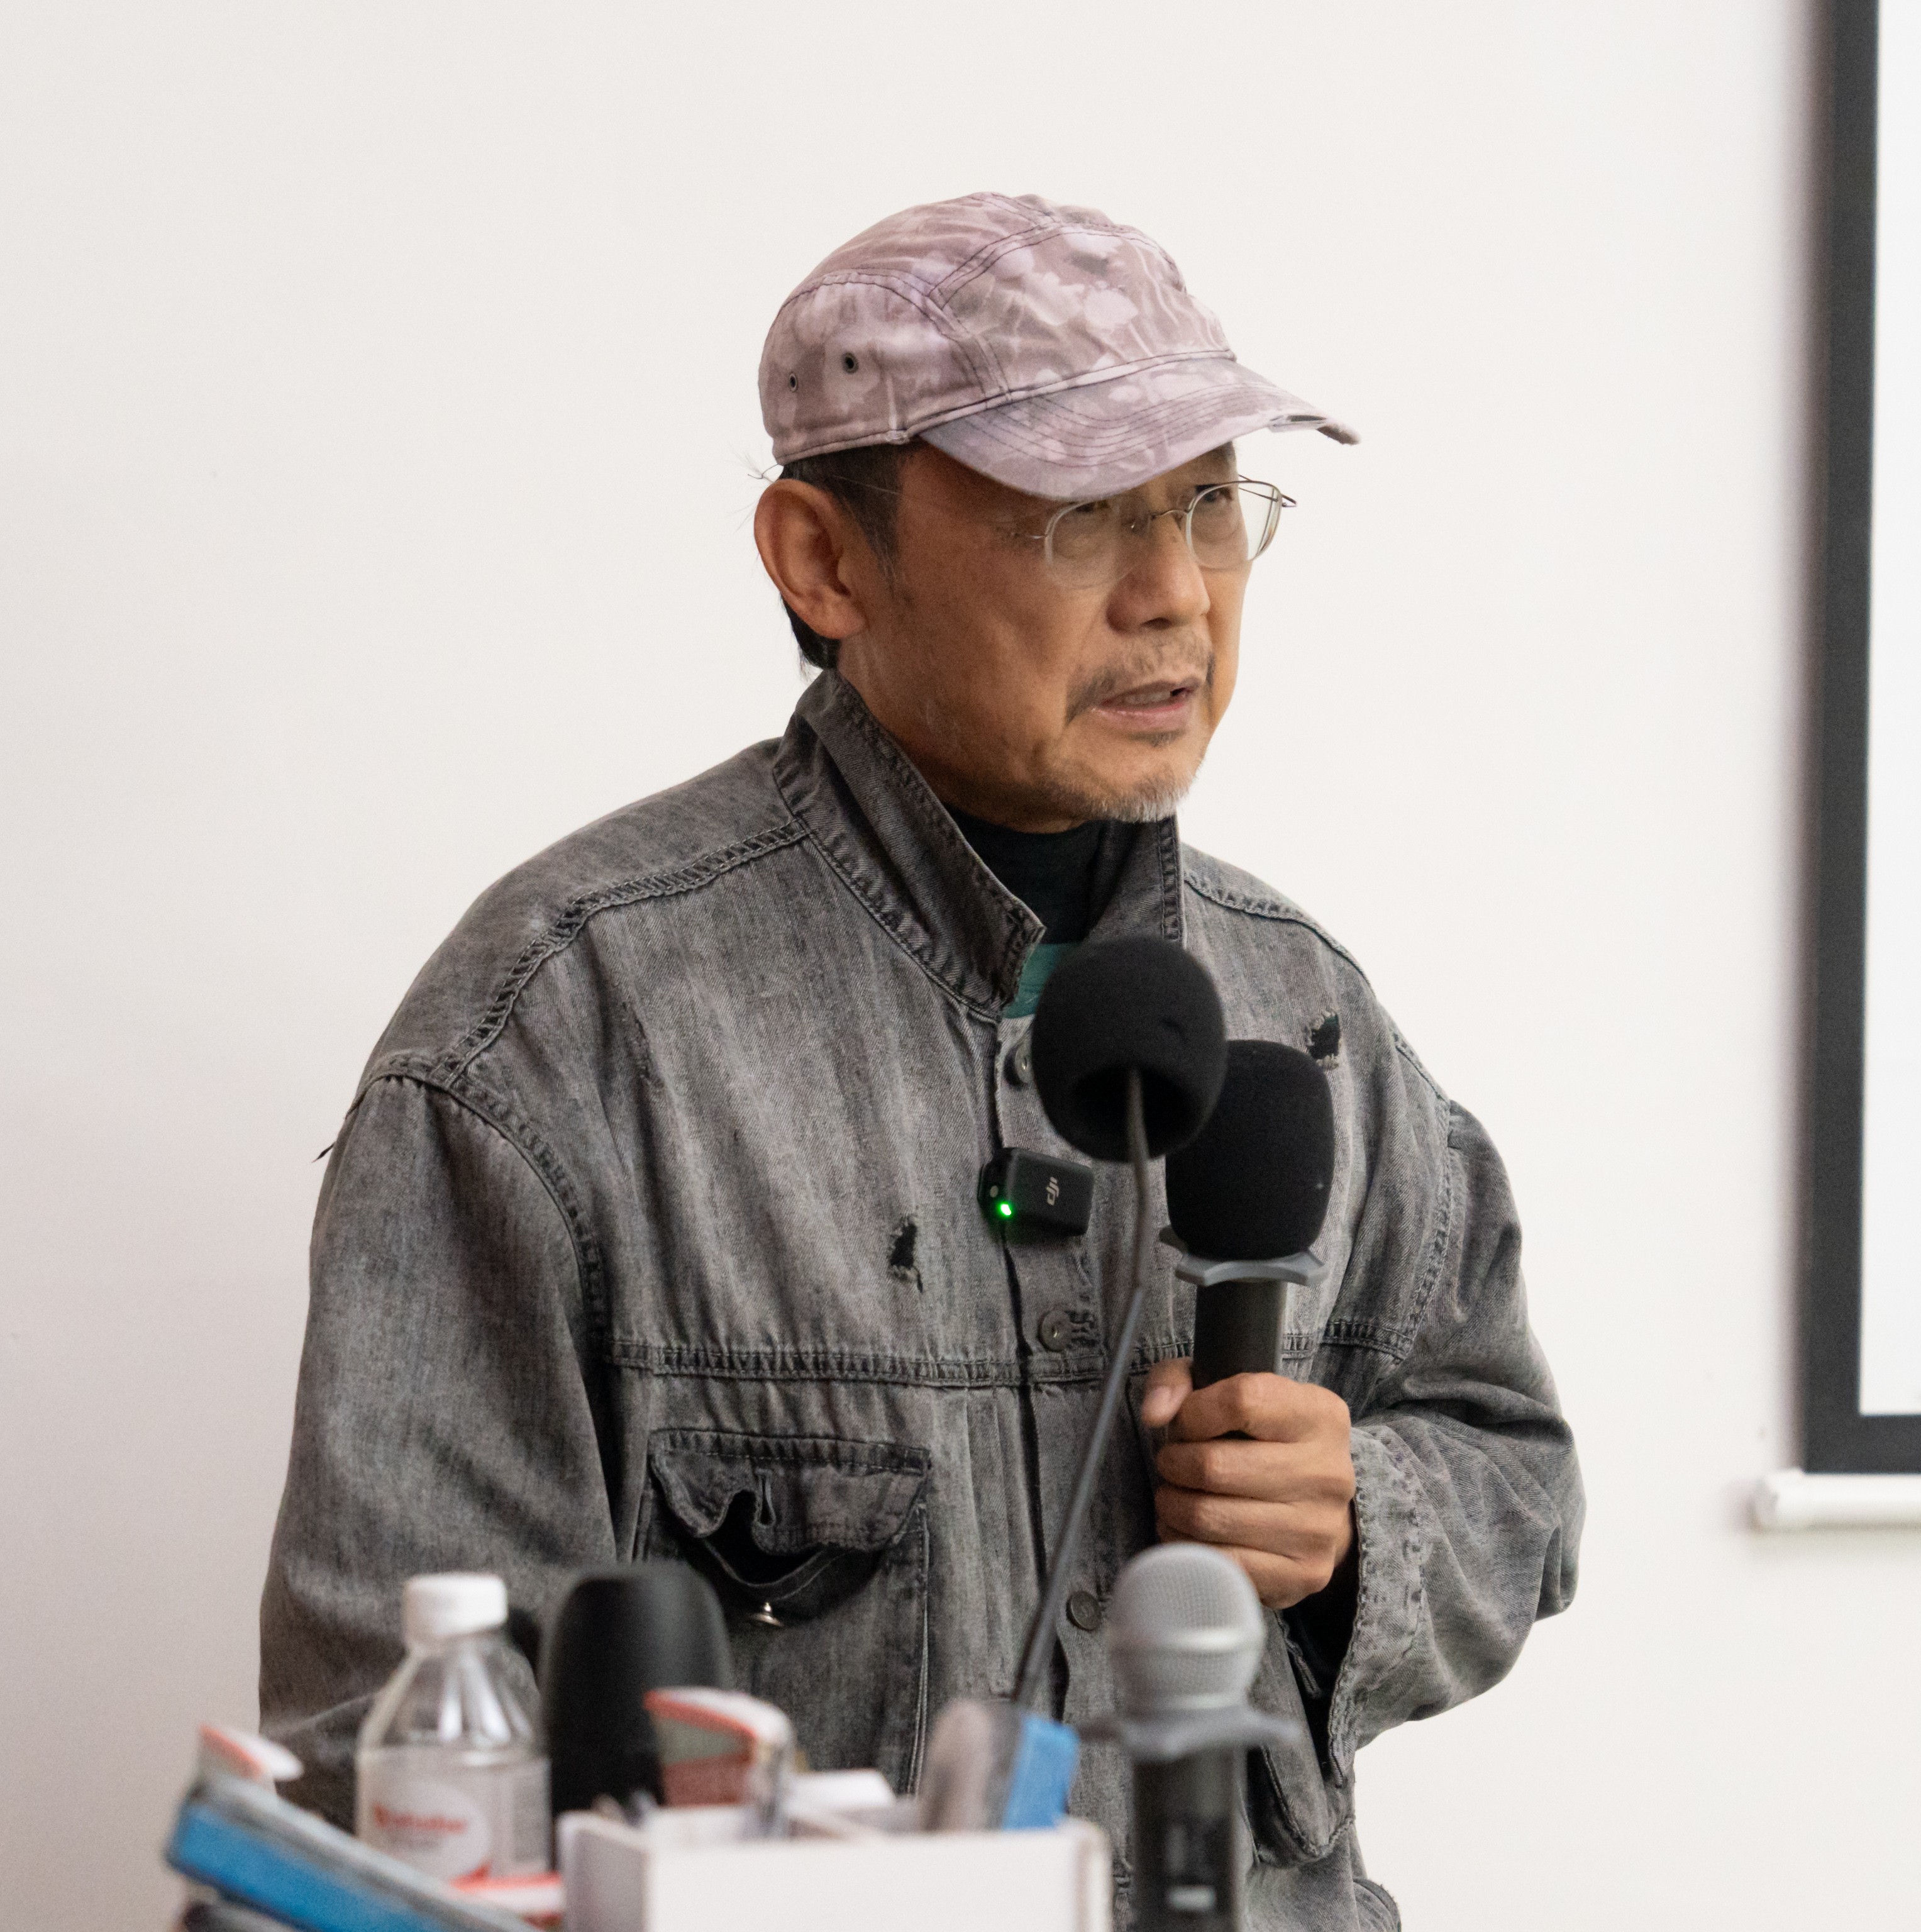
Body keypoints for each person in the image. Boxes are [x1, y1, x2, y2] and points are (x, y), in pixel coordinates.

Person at [260, 192, 1581, 1929]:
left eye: (1209, 506)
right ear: (824, 559)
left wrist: (1352, 1520)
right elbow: (396, 1756)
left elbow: (1515, 1474)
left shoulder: (1303, 1006)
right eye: (1081, 518)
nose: (1173, 596)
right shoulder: (563, 1035)